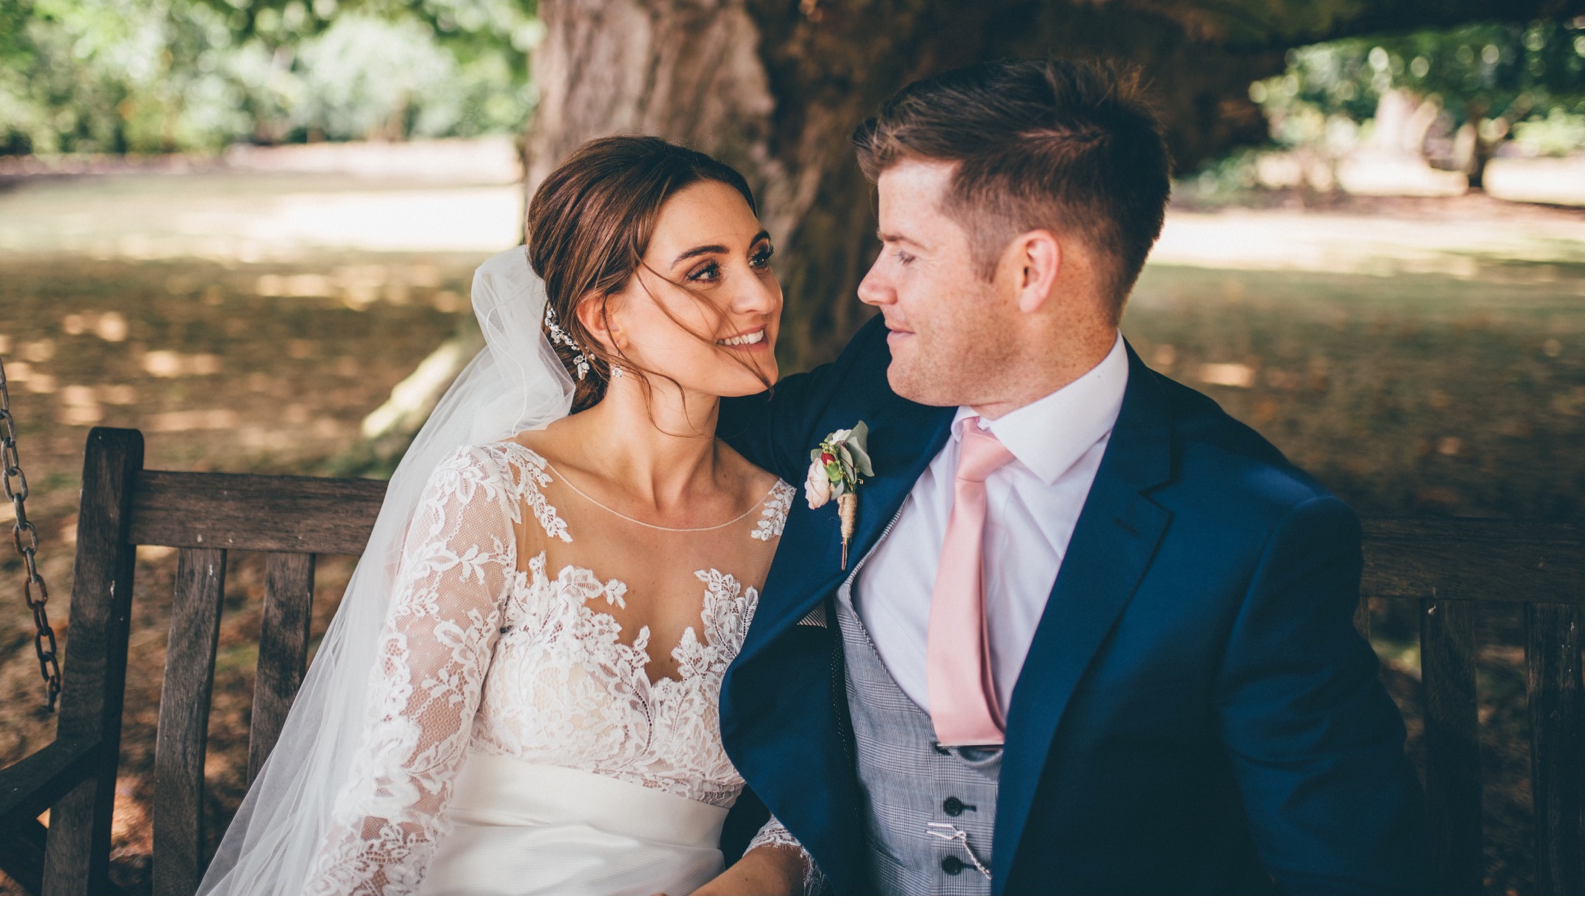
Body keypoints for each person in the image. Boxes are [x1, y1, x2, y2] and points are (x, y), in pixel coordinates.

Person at [716, 60, 1430, 894]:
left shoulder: (1251, 533)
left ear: (1031, 271)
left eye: (905, 252)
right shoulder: (870, 394)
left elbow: (1340, 864)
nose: (872, 286)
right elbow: (683, 419)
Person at [200, 136, 810, 895]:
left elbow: (831, 761)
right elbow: (392, 800)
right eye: (706, 272)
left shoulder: (792, 520)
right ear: (604, 316)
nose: (759, 296)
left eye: (759, 256)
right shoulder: (495, 494)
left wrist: (770, 869)